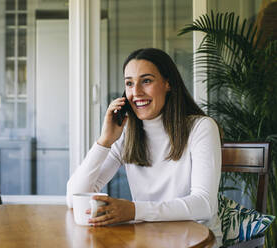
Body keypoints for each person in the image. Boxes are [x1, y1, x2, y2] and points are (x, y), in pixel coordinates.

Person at [66, 48, 222, 246]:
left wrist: (134, 210)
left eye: (146, 81)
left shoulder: (201, 128)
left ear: (168, 83)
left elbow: (204, 205)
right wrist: (104, 141)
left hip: (197, 241)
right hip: (148, 239)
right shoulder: (127, 133)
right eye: (129, 83)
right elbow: (74, 198)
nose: (136, 92)